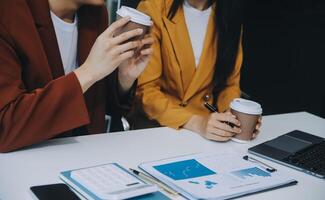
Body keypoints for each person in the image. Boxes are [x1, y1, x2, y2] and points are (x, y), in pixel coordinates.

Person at [0, 0, 153, 152]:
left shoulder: (95, 12)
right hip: (26, 161)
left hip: (83, 159)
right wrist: (88, 72)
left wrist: (124, 78)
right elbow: (5, 128)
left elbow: (98, 106)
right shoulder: (9, 13)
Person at [136, 0, 261, 141]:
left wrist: (233, 118)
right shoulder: (154, 7)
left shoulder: (229, 14)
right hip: (158, 126)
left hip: (206, 131)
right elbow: (146, 91)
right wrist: (197, 123)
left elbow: (229, 85)